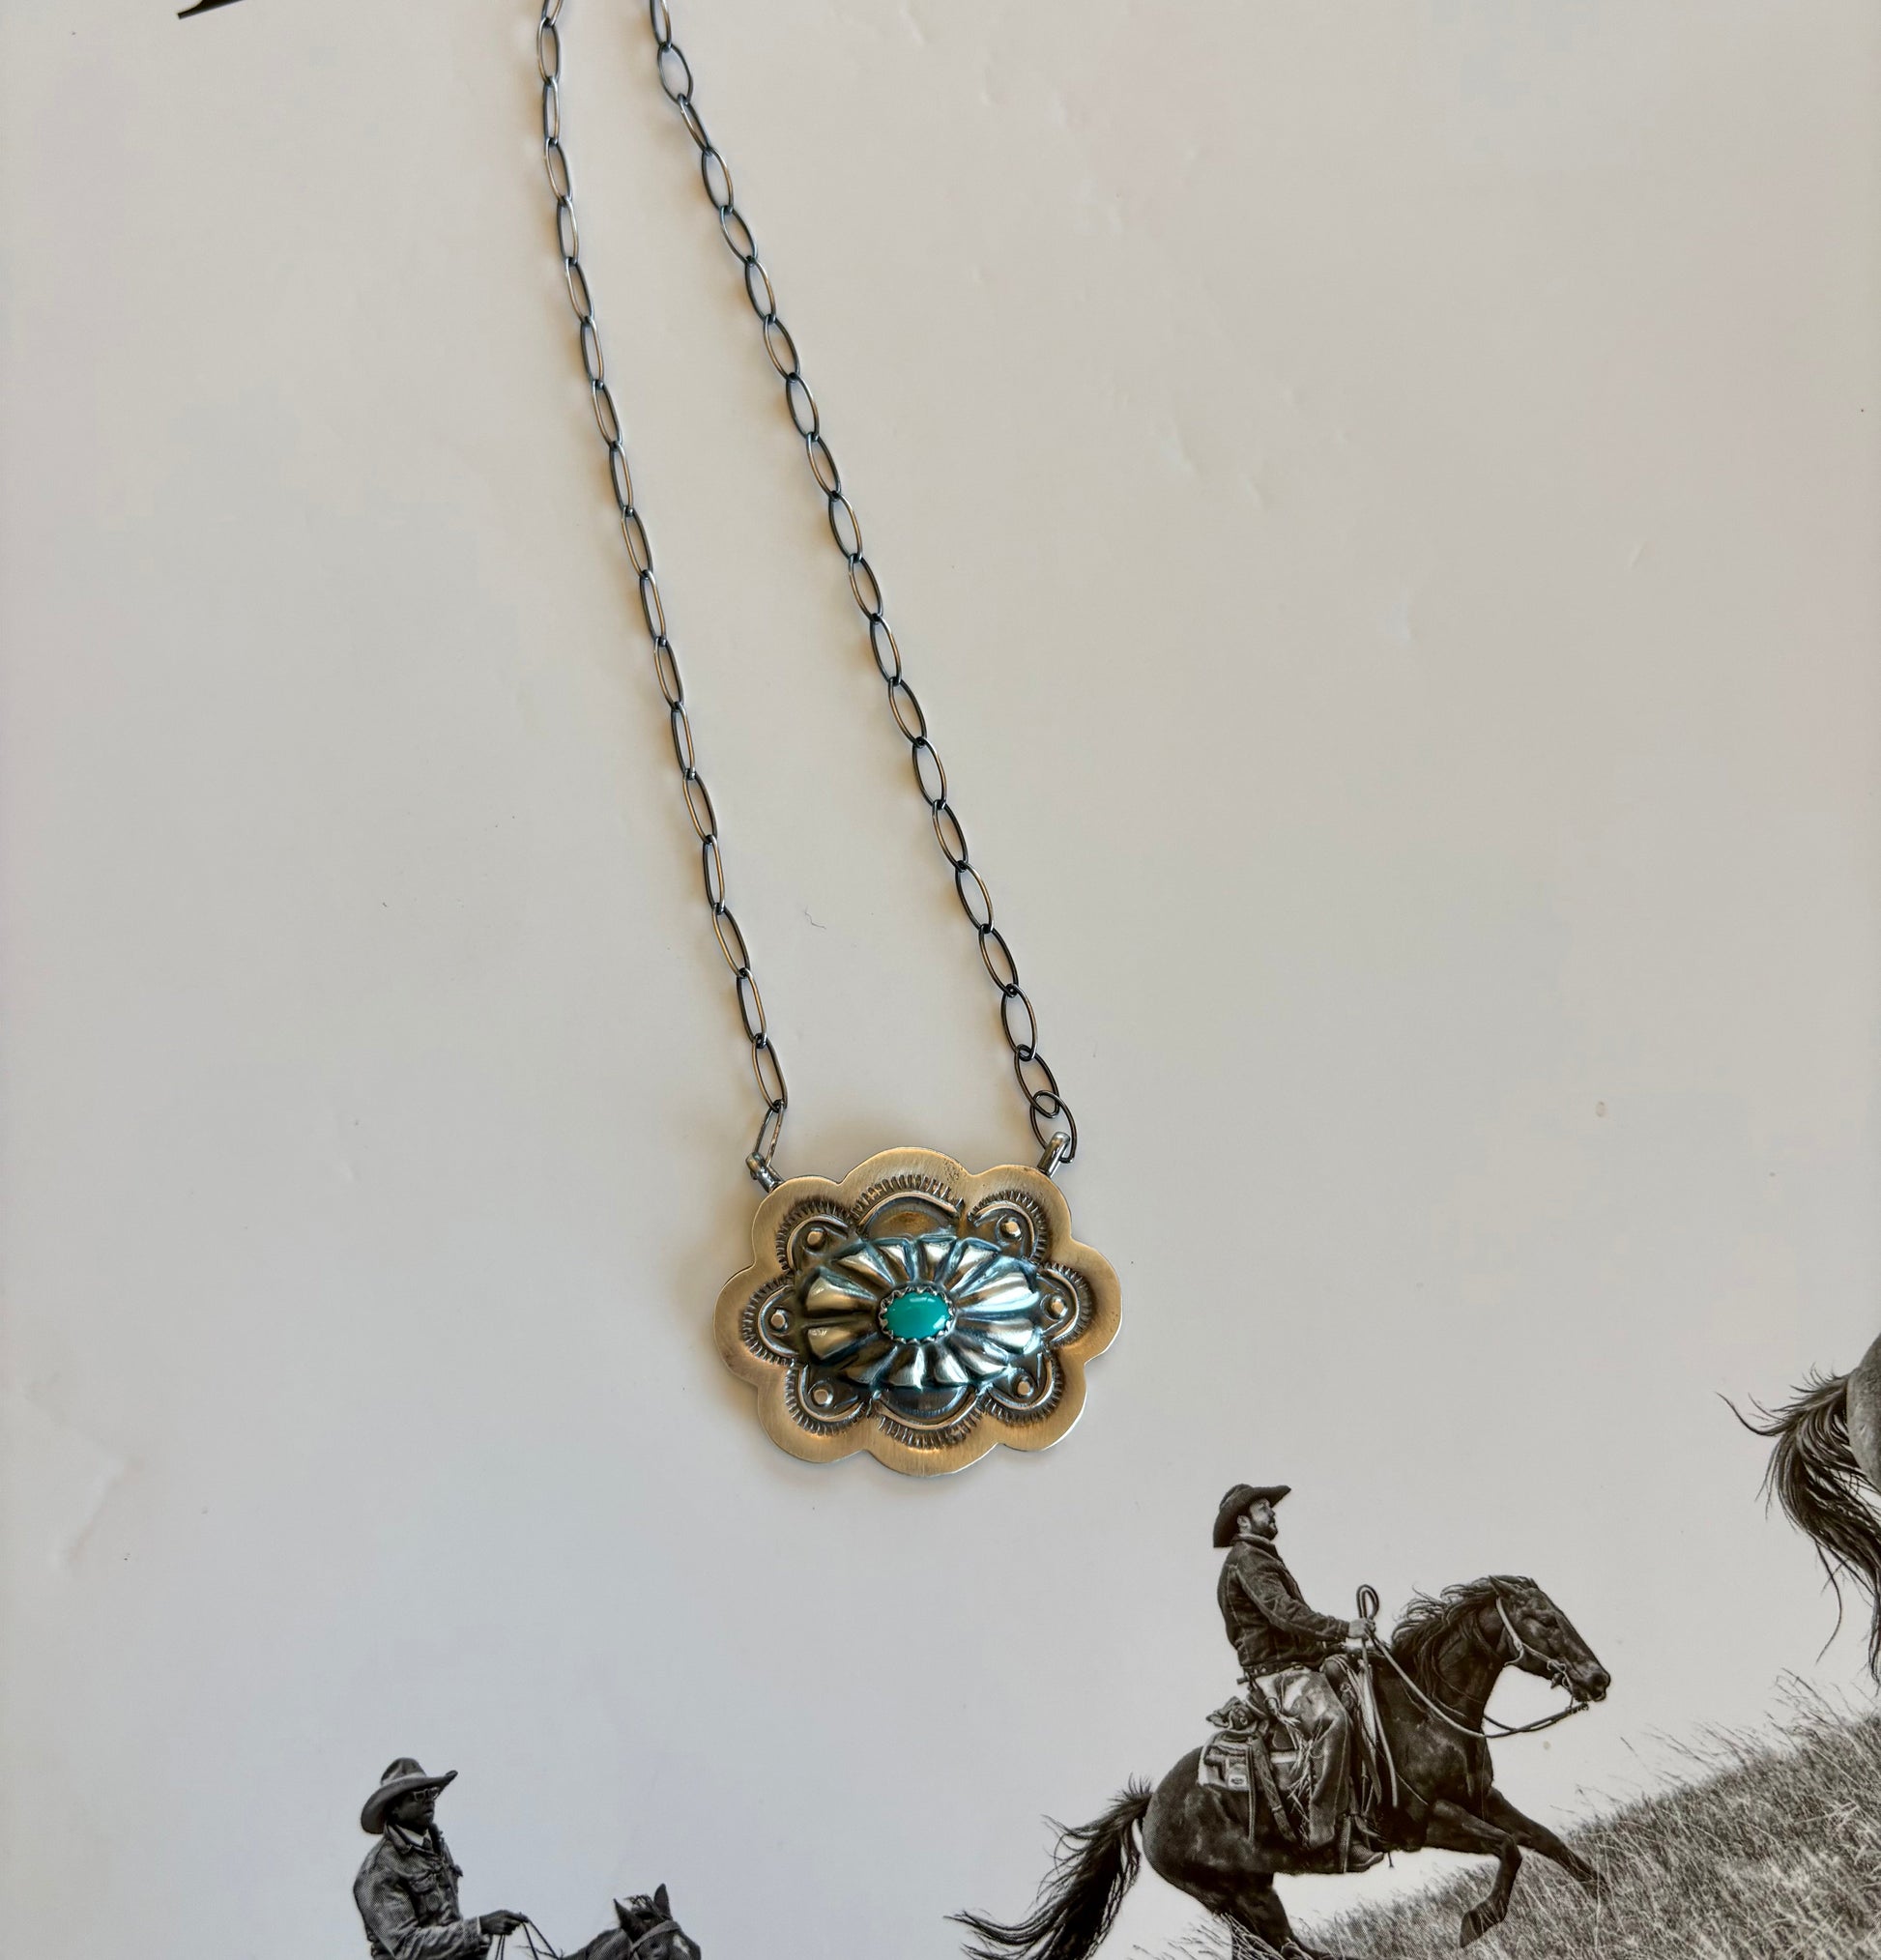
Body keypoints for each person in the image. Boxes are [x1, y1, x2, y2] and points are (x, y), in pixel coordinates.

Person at [1213, 1484, 1378, 1865]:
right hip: (1279, 1675)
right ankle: (1326, 1832)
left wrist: (1335, 1646)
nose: (1272, 1513)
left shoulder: (1259, 1557)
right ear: (1243, 1521)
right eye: (1263, 1508)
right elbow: (1284, 1614)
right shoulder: (1247, 1560)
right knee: (1333, 1721)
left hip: (1295, 1663)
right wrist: (1344, 1629)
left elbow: (1288, 1626)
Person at [355, 1759, 530, 1960]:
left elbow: (448, 1924)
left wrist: (479, 1939)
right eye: (418, 1795)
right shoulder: (378, 1870)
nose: (428, 1800)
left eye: (431, 1793)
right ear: (394, 1808)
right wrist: (479, 1927)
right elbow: (407, 1948)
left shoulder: (435, 1846)